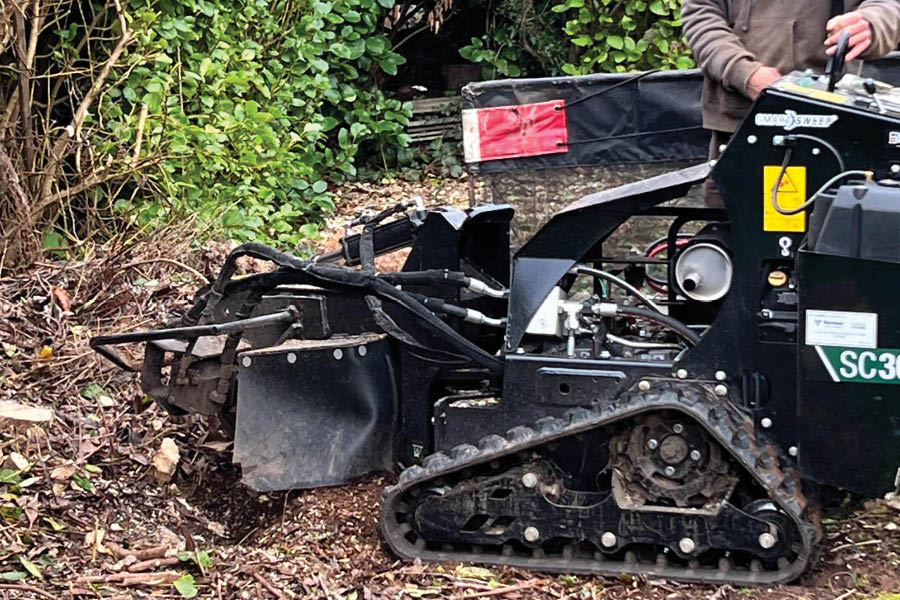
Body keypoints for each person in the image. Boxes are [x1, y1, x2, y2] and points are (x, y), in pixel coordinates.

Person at [682, 0, 900, 205]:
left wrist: (872, 23)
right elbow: (701, 12)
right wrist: (744, 74)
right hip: (739, 125)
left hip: (831, 126)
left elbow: (889, 6)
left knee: (831, 236)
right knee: (731, 236)